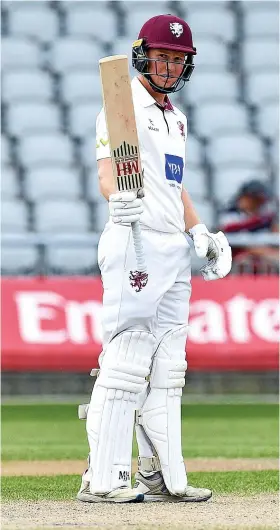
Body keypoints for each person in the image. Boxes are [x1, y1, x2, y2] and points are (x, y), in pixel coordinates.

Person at [77, 14, 232, 504]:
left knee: (169, 367)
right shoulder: (120, 106)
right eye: (163, 55)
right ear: (143, 53)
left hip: (173, 248)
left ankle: (161, 475)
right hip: (134, 240)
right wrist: (114, 199)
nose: (169, 66)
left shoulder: (177, 118)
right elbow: (109, 169)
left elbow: (172, 184)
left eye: (178, 59)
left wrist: (199, 230)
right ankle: (102, 479)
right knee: (125, 361)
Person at [219, 180, 279, 273]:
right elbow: (239, 243)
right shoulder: (230, 215)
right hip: (237, 256)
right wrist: (265, 252)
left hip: (263, 255)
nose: (260, 202)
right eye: (257, 199)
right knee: (244, 262)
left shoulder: (266, 217)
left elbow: (275, 235)